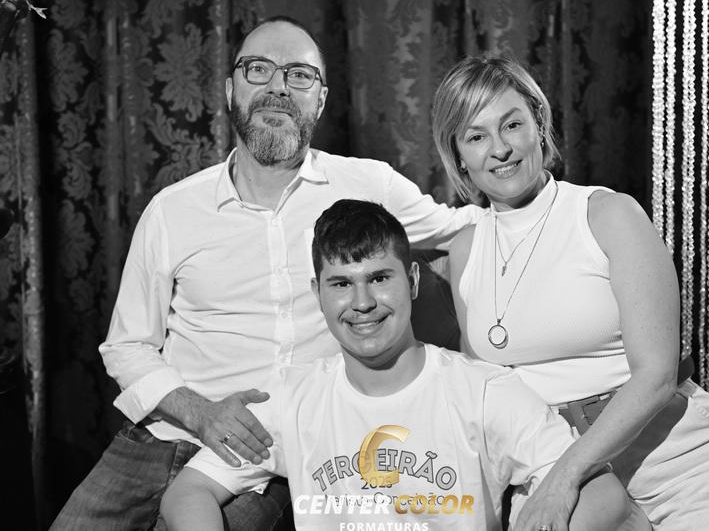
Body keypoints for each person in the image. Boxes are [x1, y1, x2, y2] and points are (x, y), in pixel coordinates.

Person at [51, 17, 482, 530]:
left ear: (320, 100)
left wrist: (559, 204)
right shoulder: (173, 210)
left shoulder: (369, 186)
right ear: (229, 89)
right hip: (160, 435)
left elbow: (468, 230)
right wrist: (200, 413)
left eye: (299, 75)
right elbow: (127, 346)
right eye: (259, 69)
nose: (278, 87)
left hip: (268, 450)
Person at [158, 199, 646, 531]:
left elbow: (604, 495)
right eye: (341, 284)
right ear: (317, 294)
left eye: (379, 278)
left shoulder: (483, 392)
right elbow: (189, 492)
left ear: (412, 280)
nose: (362, 303)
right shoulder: (292, 397)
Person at [432, 55, 709, 531]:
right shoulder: (465, 249)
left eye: (512, 125)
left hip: (670, 458)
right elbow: (484, 391)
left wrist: (565, 476)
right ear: (458, 154)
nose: (500, 149)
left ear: (538, 124)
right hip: (547, 459)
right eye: (476, 136)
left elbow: (656, 374)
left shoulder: (607, 215)